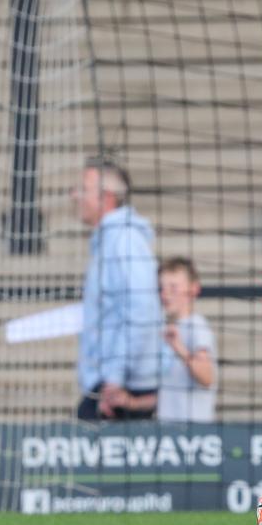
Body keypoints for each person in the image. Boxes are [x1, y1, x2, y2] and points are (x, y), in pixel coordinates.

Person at [73, 156, 162, 421]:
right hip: (112, 384)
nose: (74, 195)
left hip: (119, 391)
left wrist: (114, 380)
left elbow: (141, 310)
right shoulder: (111, 240)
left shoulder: (124, 241)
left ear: (107, 197)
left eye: (83, 189)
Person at [113, 257, 219, 422]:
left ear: (193, 289)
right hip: (168, 430)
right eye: (161, 288)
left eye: (173, 287)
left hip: (193, 430)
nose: (165, 294)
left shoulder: (197, 326)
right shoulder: (166, 328)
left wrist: (179, 348)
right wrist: (132, 403)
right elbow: (169, 394)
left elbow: (207, 377)